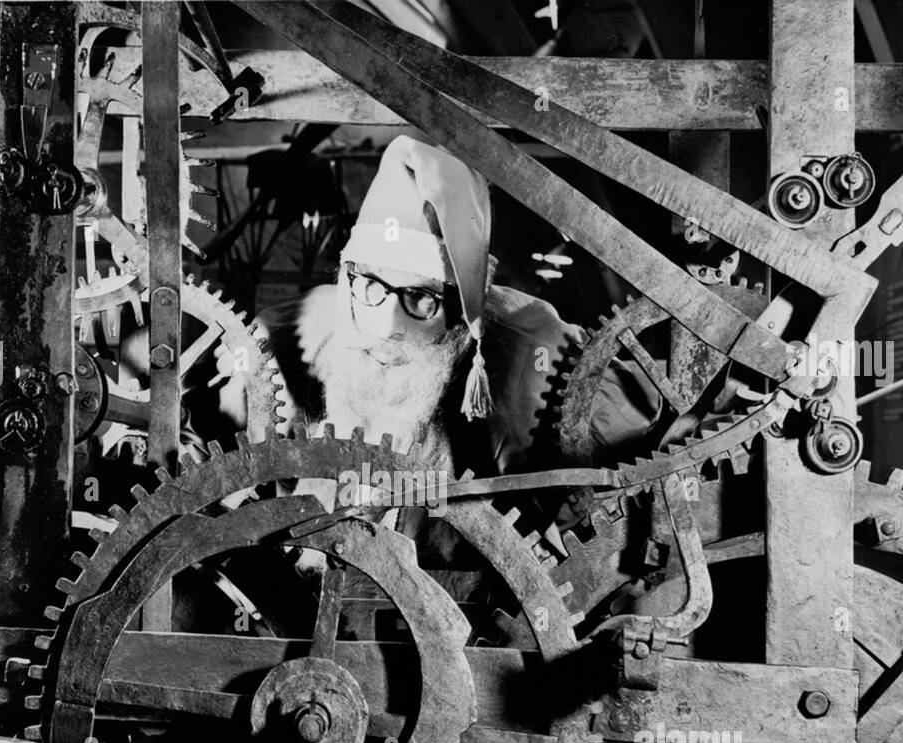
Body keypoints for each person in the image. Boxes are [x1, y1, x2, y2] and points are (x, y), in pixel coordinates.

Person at [213, 135, 661, 487]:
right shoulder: (289, 336)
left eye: (421, 298)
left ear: (465, 318)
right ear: (346, 276)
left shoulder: (537, 351)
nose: (387, 326)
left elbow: (659, 429)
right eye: (370, 284)